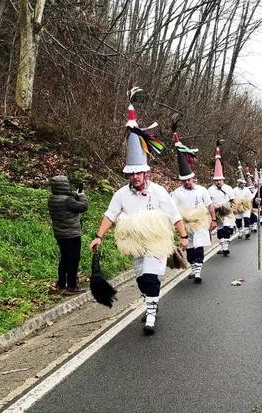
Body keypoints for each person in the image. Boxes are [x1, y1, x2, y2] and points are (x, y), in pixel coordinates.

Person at [90, 90, 188, 335]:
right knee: (141, 282)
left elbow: (175, 215)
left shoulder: (160, 192)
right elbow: (110, 215)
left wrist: (184, 237)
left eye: (138, 173)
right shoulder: (121, 194)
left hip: (156, 243)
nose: (134, 177)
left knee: (150, 280)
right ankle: (151, 303)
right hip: (134, 244)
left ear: (146, 173)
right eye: (131, 174)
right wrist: (99, 236)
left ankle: (151, 316)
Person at [170, 122, 216, 283]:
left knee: (199, 247)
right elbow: (172, 210)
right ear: (182, 181)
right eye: (185, 181)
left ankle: (197, 272)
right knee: (190, 250)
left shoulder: (202, 190)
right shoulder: (176, 193)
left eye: (189, 180)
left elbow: (210, 205)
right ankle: (194, 267)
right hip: (186, 224)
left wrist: (214, 219)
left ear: (192, 178)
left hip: (200, 223)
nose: (187, 182)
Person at [48, 175, 88, 294]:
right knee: (73, 259)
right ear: (64, 185)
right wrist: (82, 196)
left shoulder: (52, 199)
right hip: (72, 234)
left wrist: (74, 195)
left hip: (60, 234)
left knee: (64, 258)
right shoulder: (67, 200)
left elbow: (67, 200)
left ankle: (61, 284)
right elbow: (83, 207)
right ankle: (72, 285)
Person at [207, 143, 236, 256]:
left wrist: (228, 206)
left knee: (227, 229)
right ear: (214, 181)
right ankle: (223, 246)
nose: (218, 182)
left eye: (220, 180)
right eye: (216, 180)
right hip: (217, 213)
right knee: (220, 231)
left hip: (227, 212)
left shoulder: (228, 188)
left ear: (223, 180)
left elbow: (233, 201)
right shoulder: (210, 190)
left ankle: (225, 246)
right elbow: (208, 203)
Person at [233, 164, 254, 240]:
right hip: (238, 207)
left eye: (244, 183)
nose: (243, 184)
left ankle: (247, 232)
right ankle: (239, 232)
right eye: (241, 183)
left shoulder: (247, 190)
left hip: (246, 207)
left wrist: (250, 207)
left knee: (246, 219)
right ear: (238, 183)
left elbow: (250, 198)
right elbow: (232, 199)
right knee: (238, 221)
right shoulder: (234, 190)